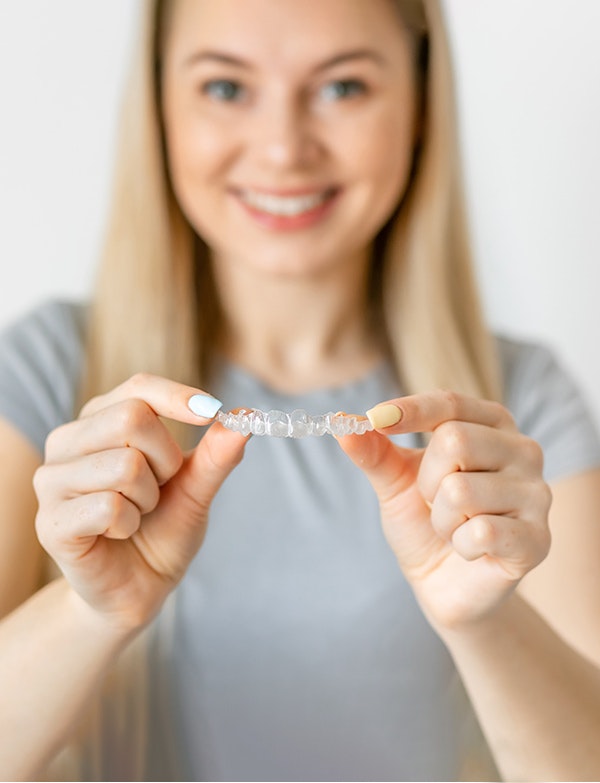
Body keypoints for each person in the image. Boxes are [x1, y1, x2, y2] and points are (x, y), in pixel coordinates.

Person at [1, 0, 600, 780]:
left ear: (420, 105)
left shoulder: (519, 409)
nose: (284, 150)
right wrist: (91, 611)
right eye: (225, 88)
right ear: (159, 107)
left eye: (343, 88)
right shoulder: (48, 375)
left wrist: (487, 622)